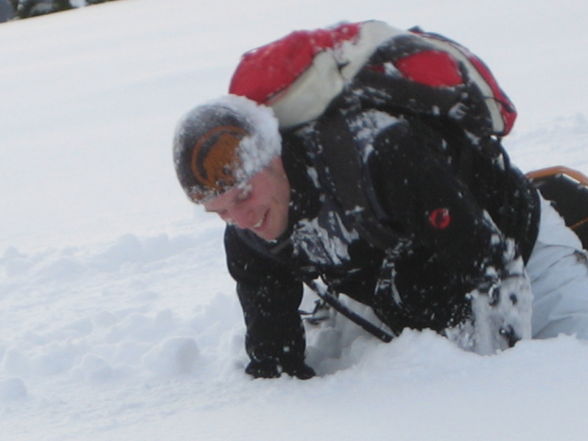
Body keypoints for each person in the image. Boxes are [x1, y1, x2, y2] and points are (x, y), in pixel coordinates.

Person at [173, 21, 588, 379]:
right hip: (403, 282)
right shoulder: (248, 236)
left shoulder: (382, 156)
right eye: (221, 211)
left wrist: (493, 380)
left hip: (519, 248)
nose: (242, 220)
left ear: (274, 155)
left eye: (244, 196)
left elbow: (493, 270)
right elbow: (273, 359)